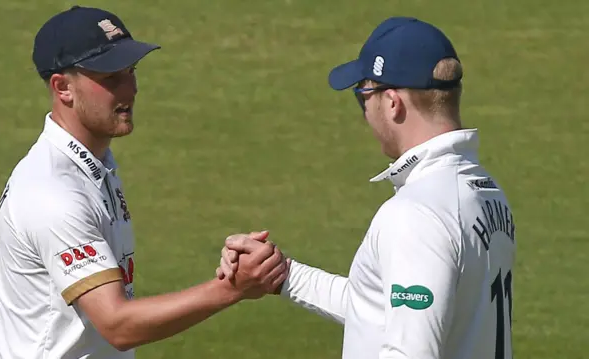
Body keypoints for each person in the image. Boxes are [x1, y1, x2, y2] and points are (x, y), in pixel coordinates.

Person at [0, 5, 288, 359]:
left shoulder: (93, 167)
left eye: (130, 70)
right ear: (63, 87)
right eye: (110, 77)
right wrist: (231, 289)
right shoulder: (52, 192)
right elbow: (117, 325)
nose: (131, 89)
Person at [218, 16, 516, 359]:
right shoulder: (485, 192)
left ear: (392, 103)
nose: (364, 114)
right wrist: (284, 275)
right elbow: (384, 311)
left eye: (363, 95)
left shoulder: (415, 215)